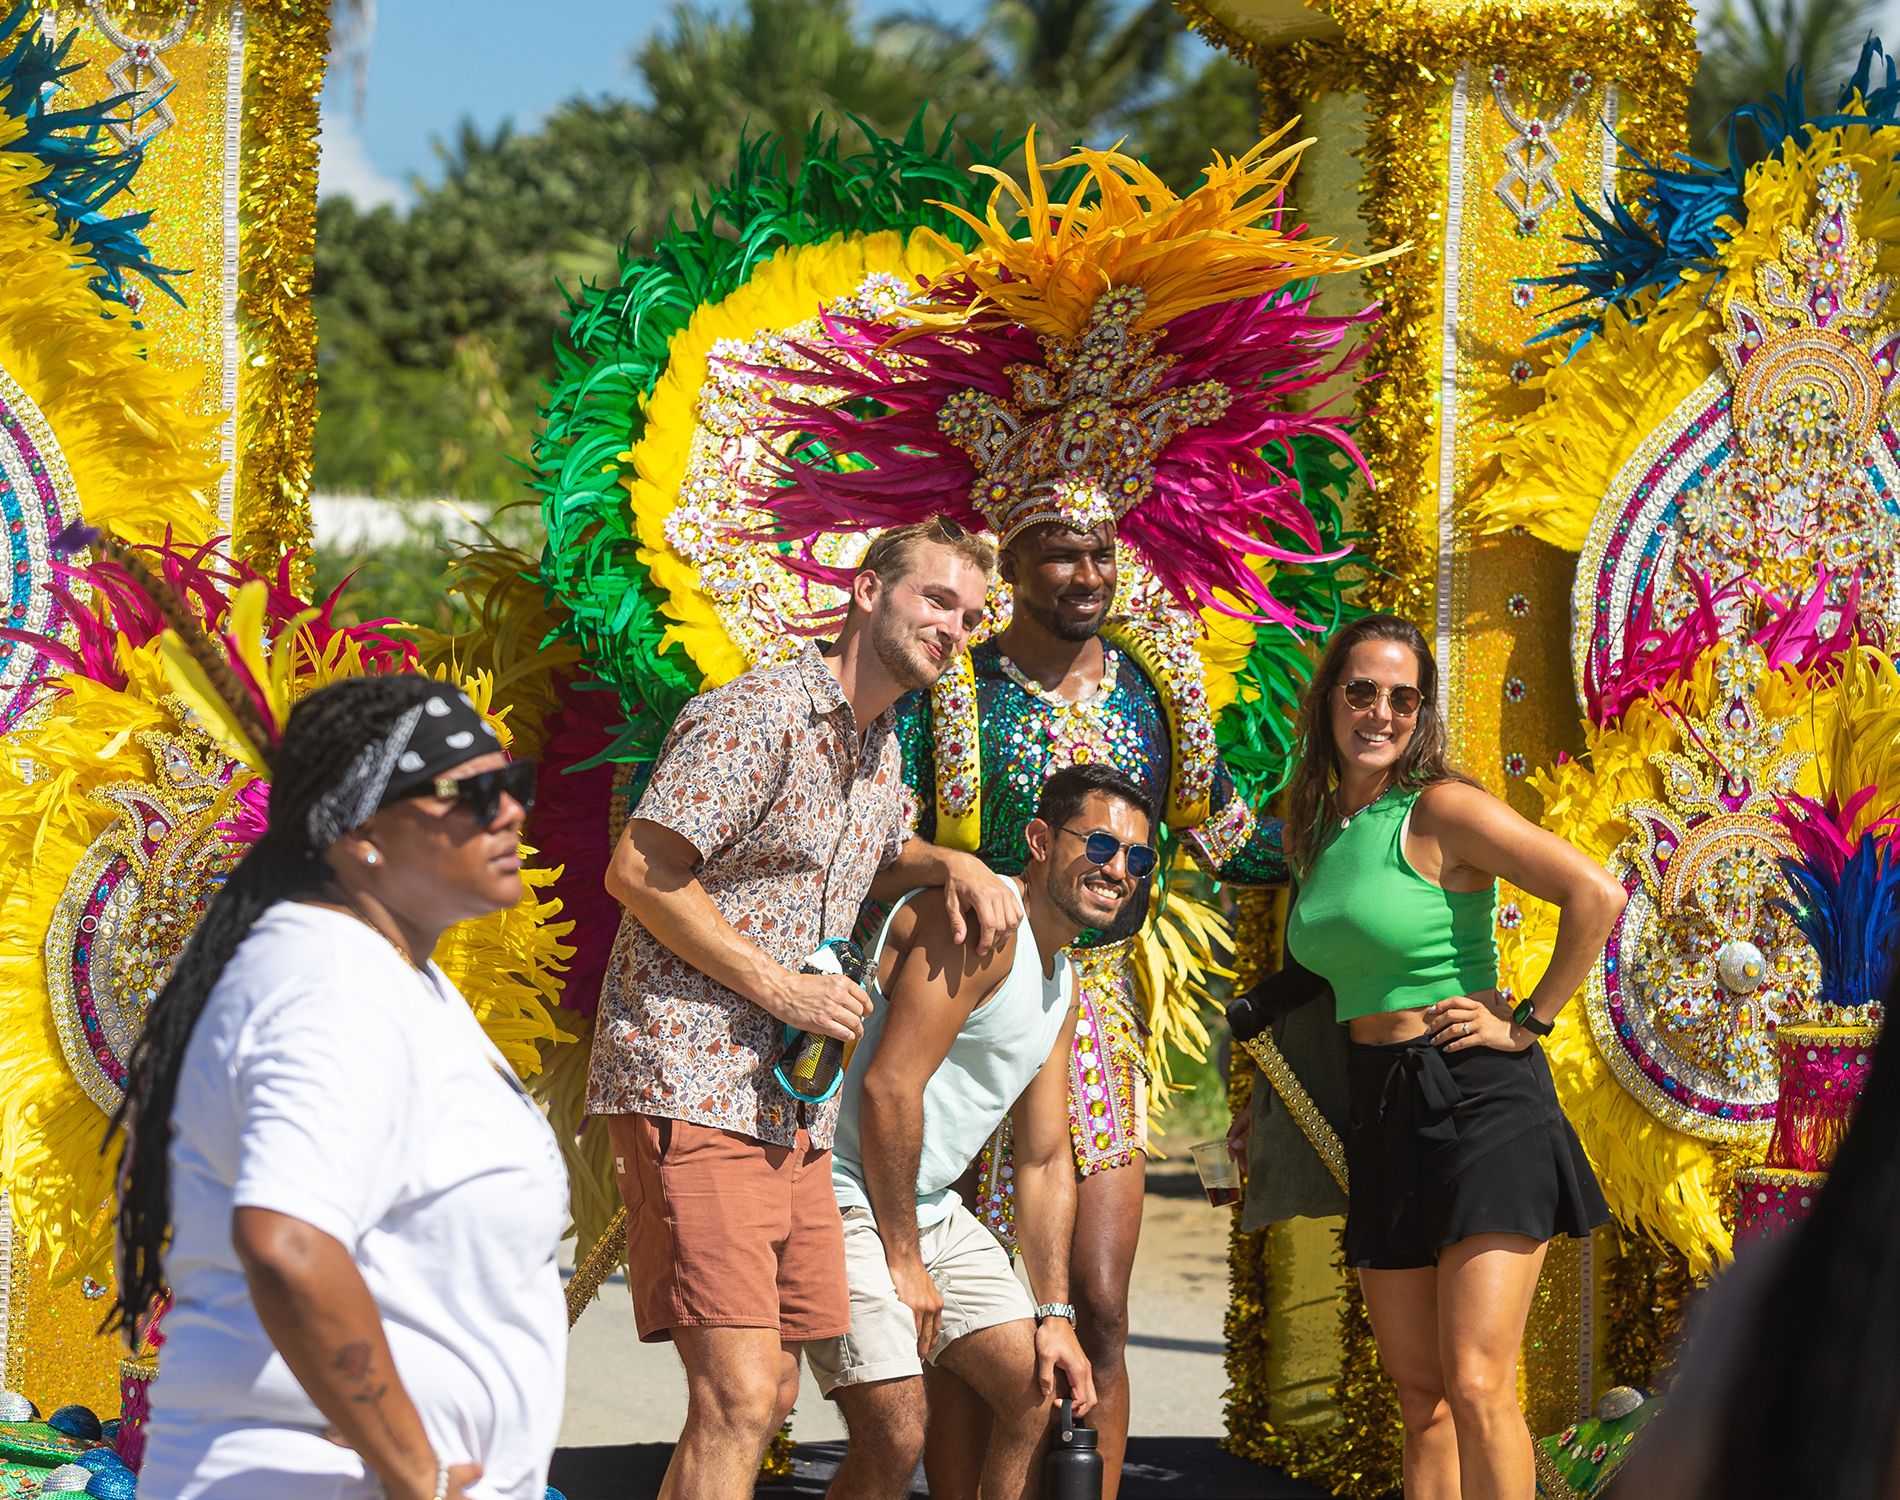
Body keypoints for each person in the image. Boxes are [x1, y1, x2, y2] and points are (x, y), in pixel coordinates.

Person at [590, 517, 1022, 1499]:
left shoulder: (879, 744)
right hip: (693, 1075)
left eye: (970, 614)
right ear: (868, 593)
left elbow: (878, 848)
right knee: (741, 1395)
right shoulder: (758, 713)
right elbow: (643, 869)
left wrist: (950, 860)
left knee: (769, 1392)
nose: (954, 628)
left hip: (793, 1108)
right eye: (935, 599)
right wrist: (781, 986)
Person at [114, 674, 567, 1500]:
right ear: (360, 828)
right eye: (474, 795)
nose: (511, 812)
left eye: (516, 784)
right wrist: (414, 1472)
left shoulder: (387, 977)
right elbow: (288, 1243)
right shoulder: (331, 981)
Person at [1281, 613, 1624, 1500]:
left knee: (1476, 1383)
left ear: (1422, 712)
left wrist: (1530, 1022)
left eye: (1404, 698)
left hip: (1479, 1094)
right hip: (1381, 1101)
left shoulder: (1440, 808)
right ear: (1328, 700)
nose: (1381, 713)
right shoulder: (1322, 826)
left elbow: (1595, 892)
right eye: (1362, 691)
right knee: (1421, 1395)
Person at [813, 763, 1153, 1499]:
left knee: (1036, 1390)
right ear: (1038, 839)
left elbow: (1041, 1159)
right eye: (1099, 845)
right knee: (897, 1430)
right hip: (838, 1195)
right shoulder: (983, 928)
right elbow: (887, 1085)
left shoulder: (1062, 984)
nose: (1118, 869)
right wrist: (906, 1260)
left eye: (1137, 857)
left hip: (926, 1207)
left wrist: (1055, 1315)